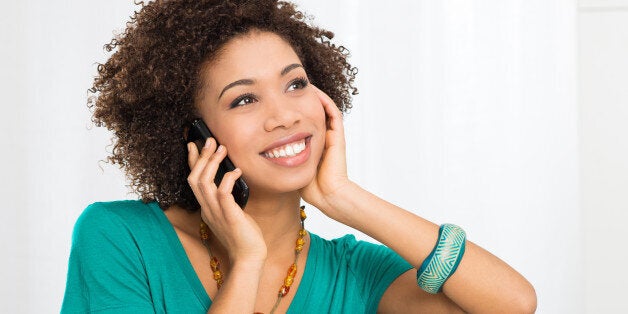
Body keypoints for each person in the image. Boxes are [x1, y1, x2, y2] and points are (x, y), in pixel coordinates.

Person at [62, 0, 536, 313]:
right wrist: (248, 261)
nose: (285, 115)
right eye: (244, 99)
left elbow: (513, 304)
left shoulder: (355, 275)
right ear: (192, 134)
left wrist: (343, 196)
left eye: (295, 84)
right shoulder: (120, 239)